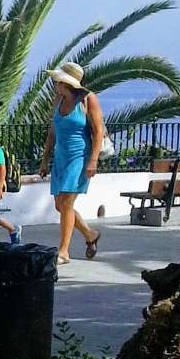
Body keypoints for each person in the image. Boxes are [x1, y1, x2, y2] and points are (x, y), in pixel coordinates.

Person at [39, 61, 104, 265]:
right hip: (61, 157)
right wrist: (45, 159)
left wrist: (93, 160)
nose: (55, 84)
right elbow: (52, 131)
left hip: (79, 157)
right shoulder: (58, 100)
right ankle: (90, 234)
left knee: (67, 202)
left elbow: (98, 130)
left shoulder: (87, 99)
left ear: (65, 82)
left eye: (57, 81)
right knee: (60, 205)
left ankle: (64, 251)